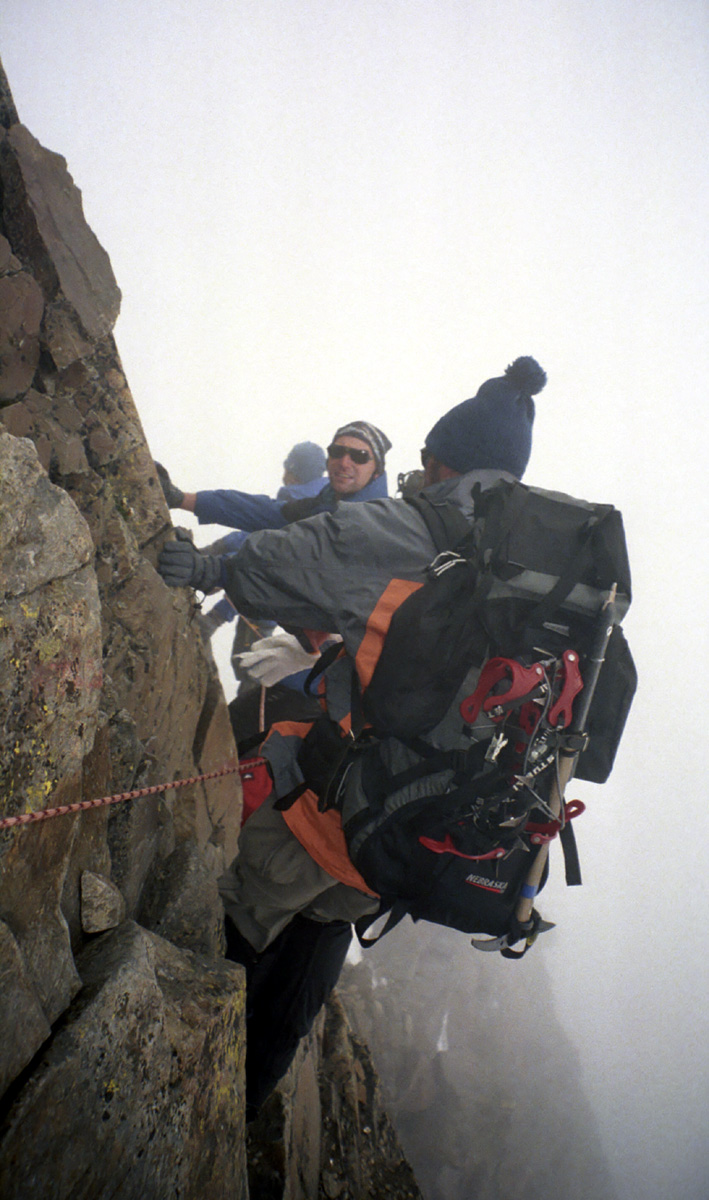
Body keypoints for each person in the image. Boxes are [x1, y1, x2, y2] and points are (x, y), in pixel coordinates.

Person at [157, 357, 547, 1115]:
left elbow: (294, 559)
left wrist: (208, 567)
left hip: (342, 798)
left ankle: (171, 1108)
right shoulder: (530, 572)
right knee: (314, 950)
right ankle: (238, 1112)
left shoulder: (416, 528)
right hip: (422, 833)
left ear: (440, 460)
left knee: (236, 931)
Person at [156, 421, 391, 532]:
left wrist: (212, 570)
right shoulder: (320, 506)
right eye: (337, 452)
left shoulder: (377, 525)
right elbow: (261, 511)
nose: (344, 462)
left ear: (377, 470)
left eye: (359, 456)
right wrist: (181, 499)